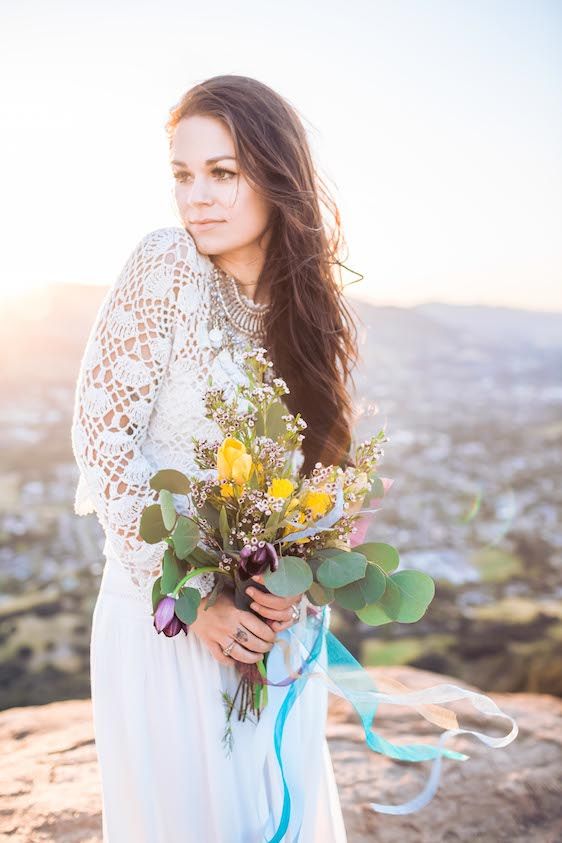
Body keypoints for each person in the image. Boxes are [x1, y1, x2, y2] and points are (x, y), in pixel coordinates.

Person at [71, 74, 358, 842]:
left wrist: (290, 586)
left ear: (276, 175)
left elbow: (319, 478)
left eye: (222, 172)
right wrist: (199, 598)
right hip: (167, 623)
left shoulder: (306, 312)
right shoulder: (166, 265)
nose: (196, 196)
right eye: (183, 173)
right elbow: (103, 439)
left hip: (269, 641)